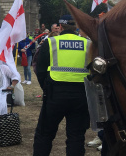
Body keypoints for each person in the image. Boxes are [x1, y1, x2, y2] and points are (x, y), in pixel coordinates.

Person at [33, 15, 91, 156]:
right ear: (75, 27)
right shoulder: (88, 44)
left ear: (61, 27)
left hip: (55, 93)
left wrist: (45, 88)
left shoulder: (51, 42)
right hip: (81, 95)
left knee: (45, 134)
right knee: (76, 137)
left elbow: (40, 69)